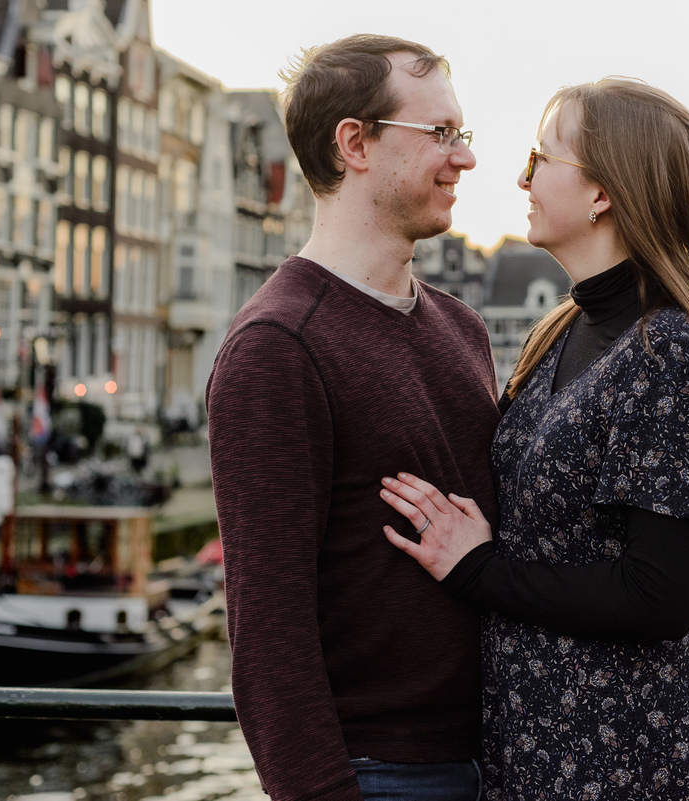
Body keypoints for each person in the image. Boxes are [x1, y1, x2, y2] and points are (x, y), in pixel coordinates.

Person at [380, 78, 689, 799]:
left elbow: (661, 596)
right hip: (530, 742)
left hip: (613, 761)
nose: (521, 176)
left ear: (601, 193)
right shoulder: (563, 329)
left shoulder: (667, 349)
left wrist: (479, 569)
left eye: (540, 157)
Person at [205, 34, 495, 801]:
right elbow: (267, 636)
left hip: (500, 760)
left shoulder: (463, 329)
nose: (463, 156)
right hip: (381, 776)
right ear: (354, 143)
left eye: (462, 134)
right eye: (440, 133)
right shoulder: (277, 345)